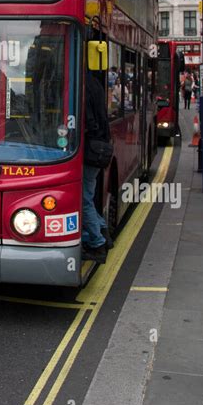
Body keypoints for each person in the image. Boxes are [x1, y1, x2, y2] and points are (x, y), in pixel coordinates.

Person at [82, 70, 113, 263]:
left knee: (83, 200)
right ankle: (103, 230)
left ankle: (97, 242)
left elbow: (89, 121)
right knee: (88, 196)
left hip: (90, 149)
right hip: (99, 146)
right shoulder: (95, 83)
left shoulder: (83, 85)